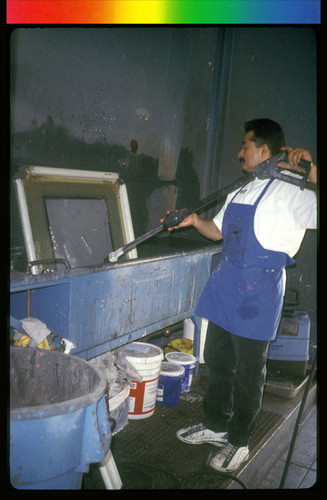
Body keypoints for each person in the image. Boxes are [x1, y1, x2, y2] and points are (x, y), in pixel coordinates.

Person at [163, 118, 317, 473]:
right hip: (226, 286)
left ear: (266, 150)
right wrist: (194, 221)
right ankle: (216, 425)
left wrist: (311, 172)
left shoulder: (293, 193)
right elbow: (217, 231)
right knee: (218, 361)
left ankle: (240, 441)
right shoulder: (242, 189)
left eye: (245, 146)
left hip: (257, 294)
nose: (239, 152)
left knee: (248, 372)